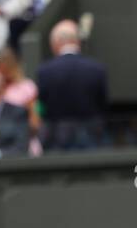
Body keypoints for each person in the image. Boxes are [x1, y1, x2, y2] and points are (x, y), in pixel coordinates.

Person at [36, 19, 108, 151]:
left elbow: (42, 106)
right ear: (78, 41)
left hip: (56, 142)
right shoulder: (97, 69)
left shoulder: (45, 71)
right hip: (92, 140)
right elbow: (102, 103)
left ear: (55, 43)